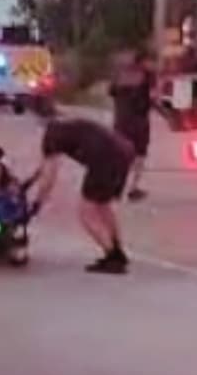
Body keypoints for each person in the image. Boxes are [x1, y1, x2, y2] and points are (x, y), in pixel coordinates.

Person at [29, 116, 136, 275]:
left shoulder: (51, 137)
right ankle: (117, 250)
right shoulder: (69, 126)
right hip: (125, 152)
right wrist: (31, 180)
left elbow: (49, 176)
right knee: (102, 205)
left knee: (86, 212)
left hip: (104, 159)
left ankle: (112, 257)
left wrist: (37, 203)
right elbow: (44, 166)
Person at [109, 49, 156, 201]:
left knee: (121, 155)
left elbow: (111, 92)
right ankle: (133, 188)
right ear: (144, 62)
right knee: (139, 156)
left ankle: (116, 188)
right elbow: (153, 96)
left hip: (121, 120)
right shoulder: (148, 76)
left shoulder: (120, 76)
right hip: (139, 121)